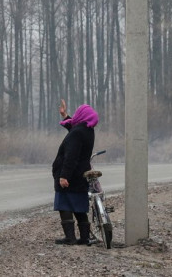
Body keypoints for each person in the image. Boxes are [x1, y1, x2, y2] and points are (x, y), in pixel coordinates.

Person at [52, 100, 98, 245]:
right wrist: (65, 116)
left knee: (64, 205)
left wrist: (64, 176)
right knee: (78, 206)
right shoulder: (87, 130)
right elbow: (74, 127)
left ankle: (70, 238)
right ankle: (84, 238)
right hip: (81, 174)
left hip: (70, 175)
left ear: (81, 115)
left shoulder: (77, 133)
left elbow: (70, 157)